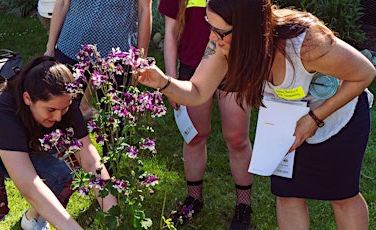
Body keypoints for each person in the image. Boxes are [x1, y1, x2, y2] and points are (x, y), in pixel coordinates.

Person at [138, 0, 376, 229]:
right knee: (287, 195)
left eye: (219, 32)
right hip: (287, 122)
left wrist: (314, 118)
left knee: (342, 196)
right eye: (209, 26)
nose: (211, 37)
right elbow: (198, 91)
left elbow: (364, 73)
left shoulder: (306, 42)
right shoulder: (222, 45)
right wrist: (165, 82)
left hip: (340, 117)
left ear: (247, 30)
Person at [0, 56, 117, 230]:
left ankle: (33, 220)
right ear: (28, 99)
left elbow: (90, 160)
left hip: (24, 145)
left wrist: (114, 216)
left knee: (67, 174)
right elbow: (29, 185)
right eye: (51, 110)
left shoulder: (63, 102)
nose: (58, 117)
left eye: (64, 109)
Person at [158, 0, 254, 228]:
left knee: (237, 138)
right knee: (195, 135)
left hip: (235, 67)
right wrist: (170, 80)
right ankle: (194, 198)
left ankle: (243, 205)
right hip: (192, 69)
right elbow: (170, 33)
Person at [44, 0, 152, 119]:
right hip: (71, 47)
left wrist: (140, 59)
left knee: (112, 117)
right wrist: (50, 47)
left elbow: (144, 10)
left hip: (116, 56)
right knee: (60, 109)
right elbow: (62, 3)